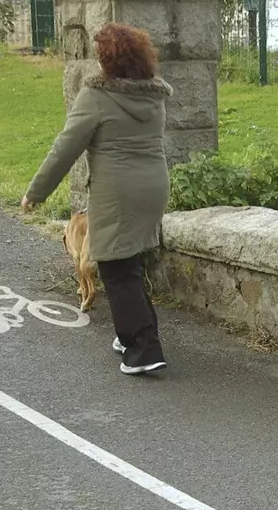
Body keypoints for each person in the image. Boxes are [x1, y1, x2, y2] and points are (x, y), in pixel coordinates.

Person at [21, 23, 171, 375]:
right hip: (154, 186)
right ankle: (131, 334)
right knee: (128, 261)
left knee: (114, 266)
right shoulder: (153, 96)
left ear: (106, 60)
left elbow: (65, 148)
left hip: (118, 191)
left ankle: (143, 349)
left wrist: (36, 192)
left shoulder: (96, 97)